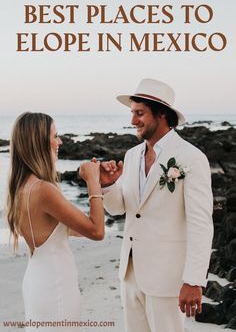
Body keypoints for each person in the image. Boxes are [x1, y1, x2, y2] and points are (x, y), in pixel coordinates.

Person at [99, 78, 213, 332]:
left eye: (139, 113)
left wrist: (194, 280)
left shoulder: (192, 158)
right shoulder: (131, 155)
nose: (133, 121)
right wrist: (106, 186)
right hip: (130, 274)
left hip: (168, 278)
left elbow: (201, 224)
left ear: (161, 114)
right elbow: (121, 209)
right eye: (132, 113)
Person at [6, 112, 104, 332]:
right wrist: (93, 181)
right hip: (55, 285)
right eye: (55, 135)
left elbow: (67, 229)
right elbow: (97, 231)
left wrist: (99, 188)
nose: (60, 141)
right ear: (39, 141)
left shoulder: (20, 188)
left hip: (37, 280)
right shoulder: (43, 189)